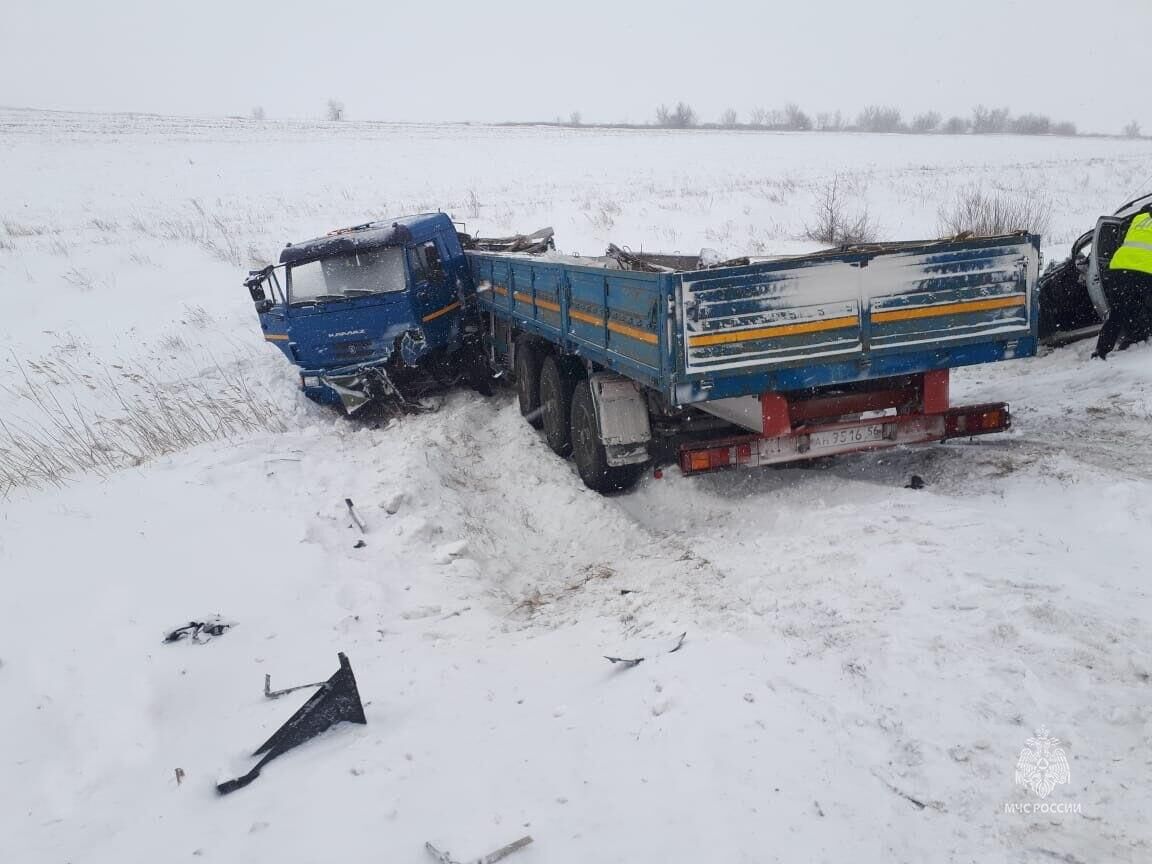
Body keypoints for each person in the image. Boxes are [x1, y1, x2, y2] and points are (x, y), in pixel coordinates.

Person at [1094, 204, 1152, 359]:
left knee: (1118, 312)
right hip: (1144, 270)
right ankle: (1137, 338)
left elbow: (1121, 237)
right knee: (1144, 307)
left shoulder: (1139, 218)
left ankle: (1101, 351)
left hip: (1119, 268)